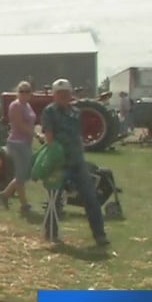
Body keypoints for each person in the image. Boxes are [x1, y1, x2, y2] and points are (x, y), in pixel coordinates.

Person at [41, 78, 110, 247]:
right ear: (54, 95)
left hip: (77, 162)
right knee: (55, 199)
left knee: (90, 198)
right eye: (60, 93)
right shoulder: (50, 112)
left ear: (70, 94)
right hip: (59, 162)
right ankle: (51, 234)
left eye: (66, 93)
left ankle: (99, 235)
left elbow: (78, 136)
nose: (64, 96)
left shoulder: (76, 112)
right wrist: (53, 157)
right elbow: (49, 136)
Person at [0, 81, 37, 214]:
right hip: (16, 143)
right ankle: (24, 205)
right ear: (17, 92)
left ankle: (4, 194)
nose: (25, 94)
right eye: (22, 91)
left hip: (26, 143)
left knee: (25, 174)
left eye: (27, 91)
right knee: (21, 174)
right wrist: (37, 134)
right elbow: (20, 125)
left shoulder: (28, 106)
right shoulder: (15, 106)